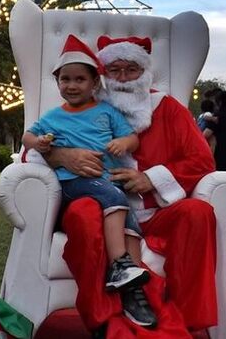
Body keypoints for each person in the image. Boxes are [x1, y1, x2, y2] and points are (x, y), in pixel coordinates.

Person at [44, 35, 218, 338]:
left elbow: (202, 161)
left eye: (131, 70)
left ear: (145, 72)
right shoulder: (81, 109)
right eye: (115, 70)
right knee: (82, 212)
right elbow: (31, 152)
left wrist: (151, 178)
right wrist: (62, 155)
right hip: (102, 213)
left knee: (198, 212)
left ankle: (191, 321)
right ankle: (104, 319)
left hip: (157, 213)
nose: (123, 78)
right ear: (103, 75)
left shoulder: (170, 110)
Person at [22, 34, 157, 328]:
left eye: (79, 79)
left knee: (131, 226)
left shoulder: (106, 112)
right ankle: (120, 265)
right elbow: (27, 138)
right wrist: (43, 144)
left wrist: (123, 143)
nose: (71, 85)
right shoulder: (54, 117)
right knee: (115, 199)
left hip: (106, 182)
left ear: (95, 82)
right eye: (65, 79)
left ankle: (133, 288)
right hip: (74, 183)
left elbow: (132, 137)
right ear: (57, 82)